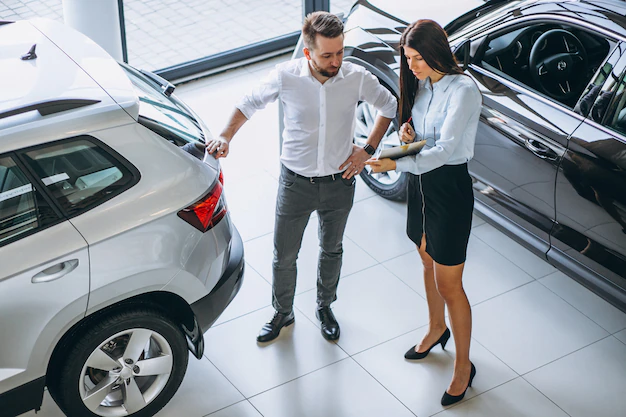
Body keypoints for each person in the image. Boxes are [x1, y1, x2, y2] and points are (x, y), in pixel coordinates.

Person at [207, 11, 397, 343]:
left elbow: (390, 106)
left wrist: (367, 149)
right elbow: (247, 104)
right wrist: (224, 136)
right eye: (327, 55)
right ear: (308, 52)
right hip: (295, 184)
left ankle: (325, 306)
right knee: (284, 255)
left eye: (340, 52)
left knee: (332, 249)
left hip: (340, 182)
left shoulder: (356, 77)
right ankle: (283, 312)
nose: (336, 60)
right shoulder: (285, 77)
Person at [365, 19, 482, 406]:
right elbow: (423, 141)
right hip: (422, 185)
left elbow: (446, 152)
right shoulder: (423, 84)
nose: (411, 66)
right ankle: (436, 329)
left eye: (416, 58)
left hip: (448, 188)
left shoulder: (462, 90)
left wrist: (395, 161)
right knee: (425, 257)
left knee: (450, 283)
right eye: (408, 58)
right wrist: (406, 141)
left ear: (434, 52)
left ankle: (463, 367)